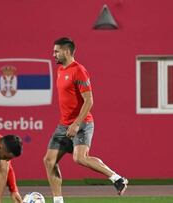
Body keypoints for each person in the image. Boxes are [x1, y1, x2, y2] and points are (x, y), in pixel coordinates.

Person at [43, 37, 128, 203]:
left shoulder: (79, 70)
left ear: (66, 51)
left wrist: (76, 124)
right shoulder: (61, 70)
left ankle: (117, 178)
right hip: (63, 125)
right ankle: (58, 200)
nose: (53, 54)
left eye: (56, 51)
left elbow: (89, 101)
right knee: (48, 160)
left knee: (80, 158)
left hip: (82, 123)